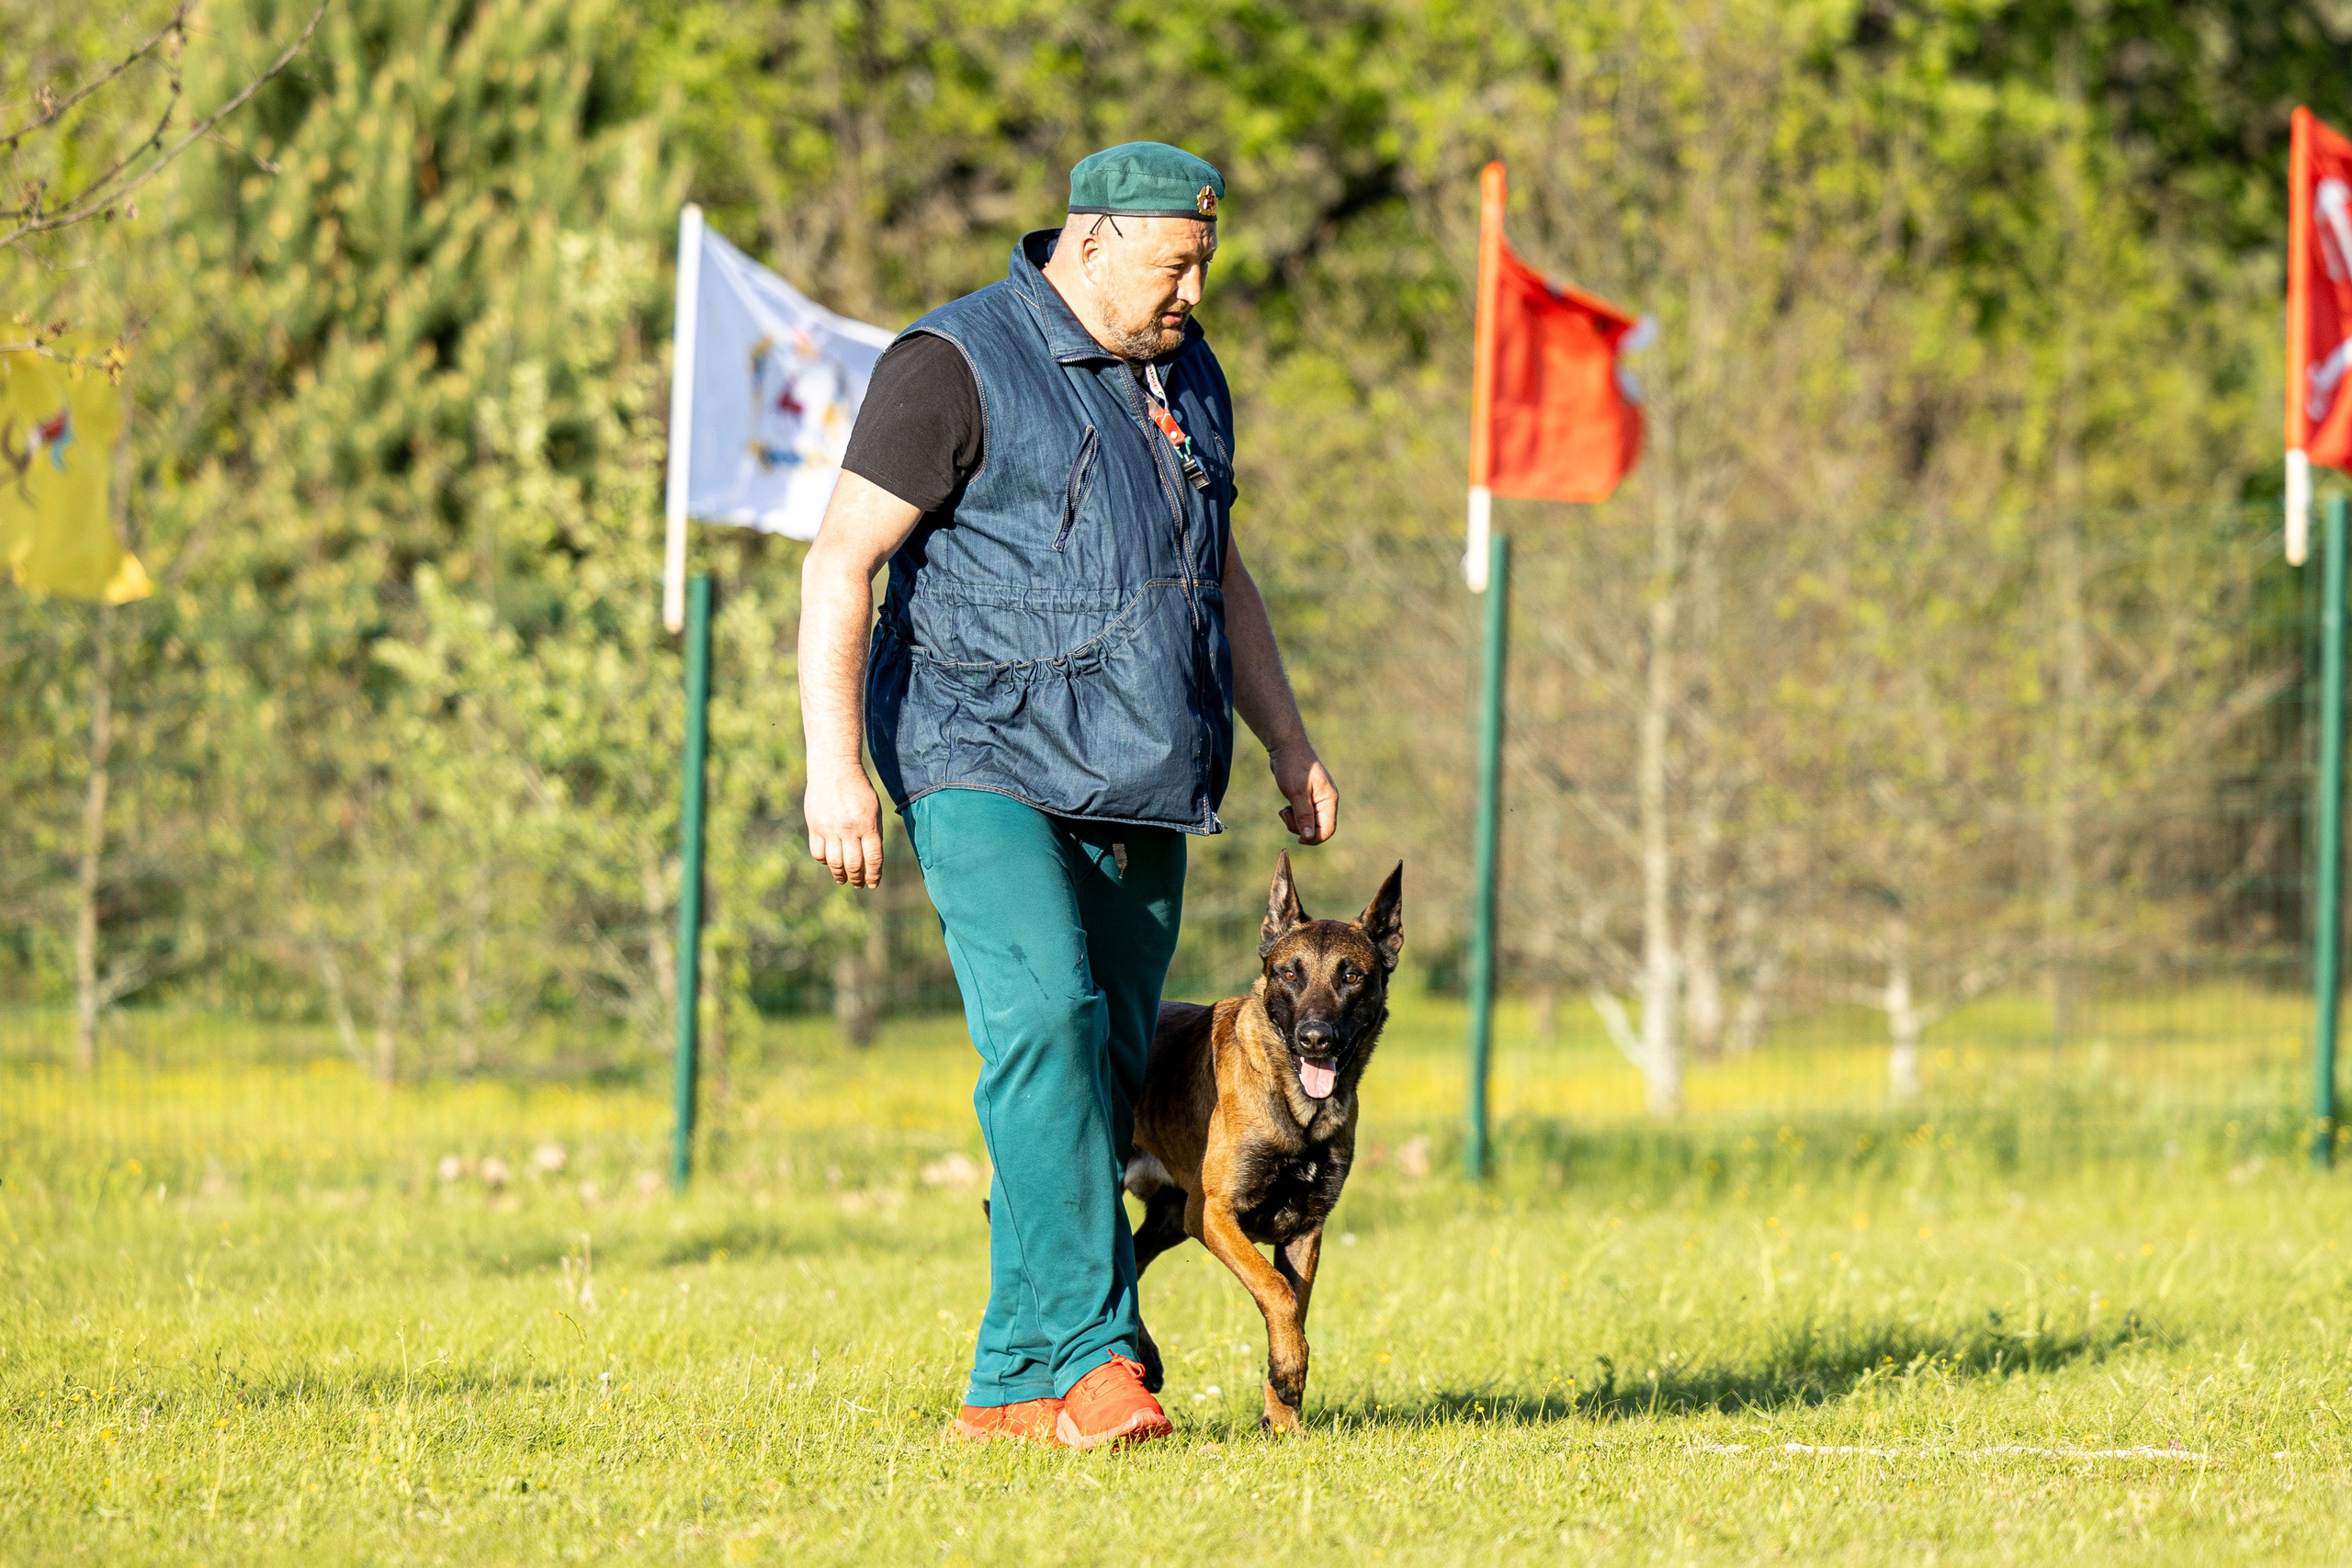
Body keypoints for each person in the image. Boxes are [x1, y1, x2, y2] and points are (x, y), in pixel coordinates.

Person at [797, 142, 1339, 1450]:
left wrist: (1286, 739)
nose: (1193, 292)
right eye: (1176, 264)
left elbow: (1221, 574)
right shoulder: (956, 364)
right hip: (975, 752)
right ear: (1091, 243)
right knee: (1045, 1017)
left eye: (1204, 264)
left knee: (1098, 1070)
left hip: (1142, 772)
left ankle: (1007, 1384)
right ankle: (1099, 1358)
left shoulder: (1186, 375)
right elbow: (840, 561)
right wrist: (836, 764)